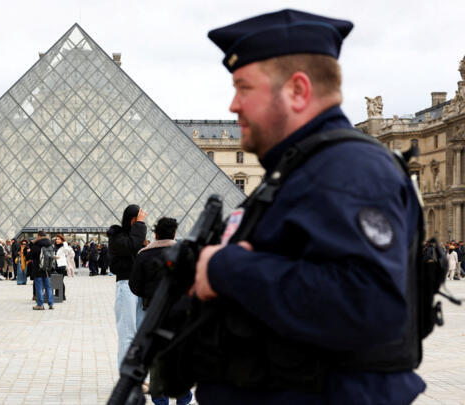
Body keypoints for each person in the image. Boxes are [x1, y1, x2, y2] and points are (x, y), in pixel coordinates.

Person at [189, 9, 425, 404]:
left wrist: (227, 267)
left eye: (244, 87)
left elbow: (368, 304)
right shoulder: (304, 169)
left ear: (298, 90)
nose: (233, 105)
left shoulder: (349, 170)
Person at [128, 217, 192, 405]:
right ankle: (183, 397)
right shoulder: (184, 252)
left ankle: (160, 399)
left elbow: (134, 286)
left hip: (153, 311)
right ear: (174, 233)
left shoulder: (143, 255)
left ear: (155, 234)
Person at [107, 204, 147, 366]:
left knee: (140, 334)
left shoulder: (133, 236)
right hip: (126, 286)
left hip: (140, 287)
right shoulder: (117, 236)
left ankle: (139, 378)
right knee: (127, 334)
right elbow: (132, 245)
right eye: (139, 219)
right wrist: (140, 224)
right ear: (133, 220)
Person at [28, 230, 55, 310]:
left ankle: (40, 304)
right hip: (47, 269)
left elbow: (30, 256)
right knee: (48, 287)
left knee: (39, 287)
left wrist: (32, 243)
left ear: (39, 236)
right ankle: (51, 303)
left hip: (38, 268)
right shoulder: (50, 245)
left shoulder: (37, 245)